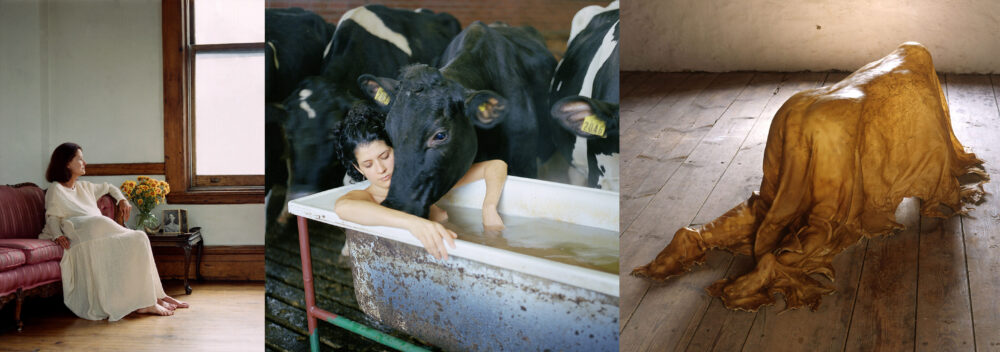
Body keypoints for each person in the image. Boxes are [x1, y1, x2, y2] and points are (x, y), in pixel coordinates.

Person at [333, 103, 507, 260]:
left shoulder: (424, 181)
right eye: (368, 164)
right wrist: (413, 223)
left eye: (385, 156)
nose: (380, 169)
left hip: (466, 252)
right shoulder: (368, 198)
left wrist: (489, 207)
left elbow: (495, 166)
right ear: (358, 169)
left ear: (398, 148)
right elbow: (343, 207)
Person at [38, 142, 188, 320]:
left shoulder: (84, 186)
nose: (85, 163)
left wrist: (122, 200)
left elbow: (110, 187)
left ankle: (155, 296)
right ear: (67, 163)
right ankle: (147, 302)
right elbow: (53, 217)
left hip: (99, 231)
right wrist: (57, 234)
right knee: (99, 221)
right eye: (80, 159)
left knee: (140, 237)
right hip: (79, 233)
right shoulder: (55, 189)